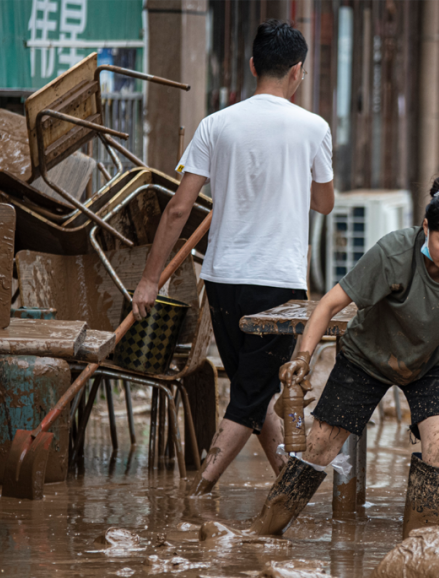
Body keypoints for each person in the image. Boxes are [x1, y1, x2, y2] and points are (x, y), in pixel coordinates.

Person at [132, 19, 335, 494]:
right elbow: (324, 203)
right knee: (249, 397)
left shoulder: (215, 125)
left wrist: (149, 279)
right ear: (297, 71)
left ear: (251, 66)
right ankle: (197, 493)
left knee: (254, 389)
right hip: (278, 284)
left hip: (222, 280)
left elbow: (178, 208)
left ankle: (289, 487)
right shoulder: (314, 128)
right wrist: (287, 179)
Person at [249, 179, 439, 538]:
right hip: (365, 358)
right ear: (426, 227)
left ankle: (417, 545)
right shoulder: (393, 253)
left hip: (429, 364)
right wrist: (304, 357)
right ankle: (263, 532)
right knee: (318, 447)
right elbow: (329, 304)